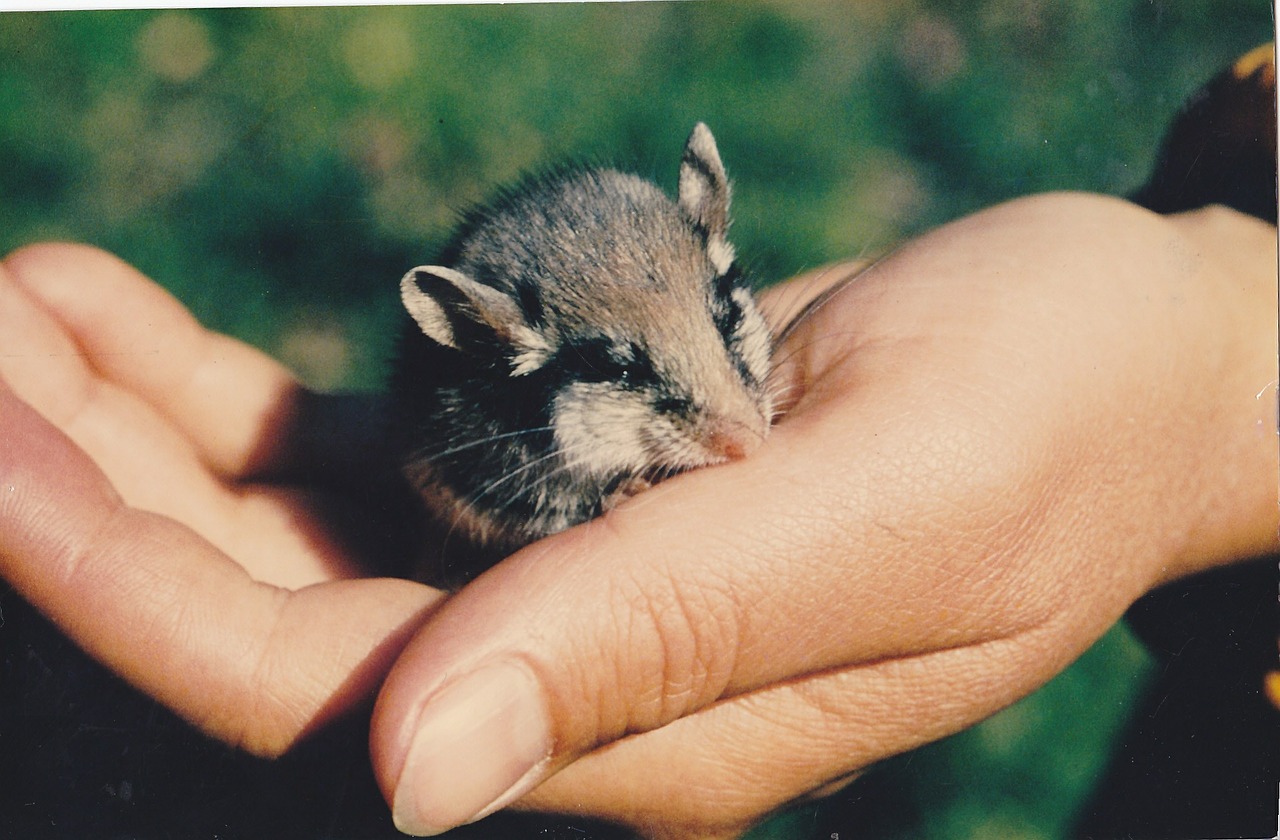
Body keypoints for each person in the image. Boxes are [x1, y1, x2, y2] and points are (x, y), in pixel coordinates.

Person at [1, 188, 1274, 838]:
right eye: (643, 385)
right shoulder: (482, 432)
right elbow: (469, 481)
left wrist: (1209, 359)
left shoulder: (705, 362)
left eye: (732, 331)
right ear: (501, 348)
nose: (738, 423)